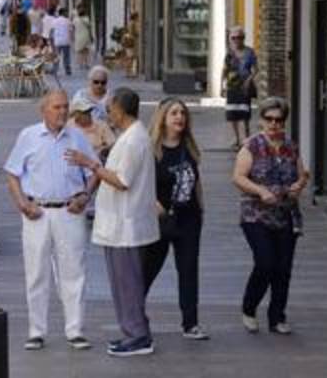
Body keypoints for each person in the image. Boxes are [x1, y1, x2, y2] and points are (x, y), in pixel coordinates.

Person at [65, 87, 158, 357]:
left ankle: (138, 335)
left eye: (110, 110)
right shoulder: (131, 136)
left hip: (125, 226)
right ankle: (134, 331)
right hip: (121, 224)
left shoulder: (132, 140)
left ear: (120, 110)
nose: (107, 115)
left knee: (126, 282)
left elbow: (122, 180)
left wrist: (91, 164)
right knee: (124, 282)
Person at [4, 90, 98, 352]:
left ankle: (75, 330)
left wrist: (86, 195)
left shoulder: (77, 137)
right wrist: (22, 203)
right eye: (57, 107)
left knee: (74, 272)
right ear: (43, 110)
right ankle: (37, 331)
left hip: (70, 211)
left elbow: (95, 170)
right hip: (38, 213)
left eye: (65, 107)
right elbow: (12, 173)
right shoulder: (29, 136)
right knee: (36, 273)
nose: (63, 112)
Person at [232, 96, 308, 336]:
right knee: (266, 262)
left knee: (283, 268)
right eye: (269, 119)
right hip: (256, 214)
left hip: (286, 213)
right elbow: (238, 177)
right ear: (261, 119)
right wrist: (260, 191)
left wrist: (300, 185)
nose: (274, 124)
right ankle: (249, 307)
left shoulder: (290, 145)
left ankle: (277, 317)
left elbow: (301, 174)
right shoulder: (252, 146)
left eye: (279, 120)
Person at [142, 98, 209, 341]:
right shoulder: (151, 149)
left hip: (189, 218)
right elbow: (139, 183)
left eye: (182, 113)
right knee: (147, 269)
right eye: (174, 113)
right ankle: (134, 315)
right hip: (160, 221)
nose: (179, 117)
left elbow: (195, 180)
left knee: (189, 269)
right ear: (163, 118)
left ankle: (190, 323)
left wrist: (201, 208)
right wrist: (152, 203)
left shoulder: (188, 147)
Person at [223, 26, 259, 150]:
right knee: (232, 114)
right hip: (232, 86)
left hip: (244, 86)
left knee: (245, 114)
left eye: (240, 37)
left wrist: (249, 80)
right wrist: (222, 85)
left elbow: (256, 69)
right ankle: (237, 139)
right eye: (234, 38)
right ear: (230, 39)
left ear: (243, 38)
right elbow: (225, 69)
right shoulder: (230, 53)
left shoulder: (250, 52)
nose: (237, 40)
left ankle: (246, 139)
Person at [69, 95, 115, 162]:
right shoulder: (68, 126)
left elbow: (113, 143)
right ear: (76, 113)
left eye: (89, 111)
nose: (88, 114)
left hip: (97, 161)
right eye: (84, 112)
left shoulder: (101, 125)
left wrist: (104, 150)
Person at [49, 7, 74, 76]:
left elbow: (52, 31)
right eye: (66, 12)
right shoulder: (68, 21)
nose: (67, 13)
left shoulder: (54, 21)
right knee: (66, 56)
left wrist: (51, 40)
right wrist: (72, 40)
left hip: (57, 41)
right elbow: (71, 31)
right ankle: (67, 70)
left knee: (56, 56)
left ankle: (55, 69)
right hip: (66, 41)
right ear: (63, 13)